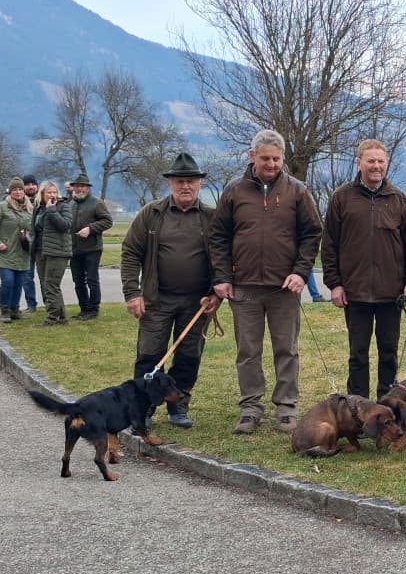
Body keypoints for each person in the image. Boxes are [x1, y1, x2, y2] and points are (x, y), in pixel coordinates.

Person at [210, 129, 323, 434]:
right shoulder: (233, 191)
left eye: (276, 158)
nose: (271, 164)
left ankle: (286, 407)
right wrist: (221, 277)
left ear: (283, 158)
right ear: (252, 157)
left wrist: (300, 272)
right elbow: (218, 237)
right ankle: (250, 407)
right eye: (265, 158)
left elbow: (312, 234)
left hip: (284, 288)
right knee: (248, 351)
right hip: (243, 287)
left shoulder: (298, 191)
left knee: (286, 349)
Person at [121, 153, 221, 429]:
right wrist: (132, 292)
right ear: (170, 183)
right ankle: (144, 408)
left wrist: (217, 293)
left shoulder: (212, 218)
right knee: (150, 356)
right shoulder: (151, 214)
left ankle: (179, 406)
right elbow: (130, 252)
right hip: (156, 299)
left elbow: (224, 257)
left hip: (197, 302)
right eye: (179, 181)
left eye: (191, 181)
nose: (185, 186)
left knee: (189, 357)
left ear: (200, 184)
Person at [321, 138, 406, 398]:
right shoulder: (341, 198)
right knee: (357, 354)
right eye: (371, 161)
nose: (376, 166)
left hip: (392, 293)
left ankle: (386, 406)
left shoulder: (399, 199)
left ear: (386, 163)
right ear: (359, 163)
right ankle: (357, 407)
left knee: (389, 351)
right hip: (354, 292)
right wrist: (334, 284)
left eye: (380, 161)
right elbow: (329, 244)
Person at [0, 177, 33, 323]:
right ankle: (5, 310)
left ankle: (14, 308)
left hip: (23, 252)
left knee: (19, 282)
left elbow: (35, 227)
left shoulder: (30, 208)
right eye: (15, 190)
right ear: (10, 192)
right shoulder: (2, 207)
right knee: (8, 281)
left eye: (20, 189)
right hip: (5, 252)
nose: (18, 192)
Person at [68, 172, 113, 320]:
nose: (79, 189)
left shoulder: (96, 203)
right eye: (77, 186)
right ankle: (84, 308)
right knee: (78, 280)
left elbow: (107, 221)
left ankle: (93, 309)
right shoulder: (71, 204)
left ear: (87, 188)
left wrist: (90, 229)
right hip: (74, 248)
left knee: (92, 279)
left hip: (92, 248)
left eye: (82, 186)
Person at [31, 180, 76, 326]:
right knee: (46, 285)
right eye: (49, 192)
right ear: (42, 194)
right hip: (41, 251)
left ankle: (51, 318)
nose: (52, 195)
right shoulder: (38, 208)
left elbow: (65, 226)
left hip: (58, 251)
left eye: (54, 192)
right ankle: (61, 317)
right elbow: (36, 228)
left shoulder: (64, 206)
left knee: (51, 285)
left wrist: (52, 210)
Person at [21, 174, 40, 313]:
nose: (30, 186)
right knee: (27, 277)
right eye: (27, 184)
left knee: (46, 278)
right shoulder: (18, 201)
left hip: (42, 245)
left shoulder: (43, 200)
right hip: (25, 244)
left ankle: (49, 304)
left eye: (33, 184)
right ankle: (31, 305)